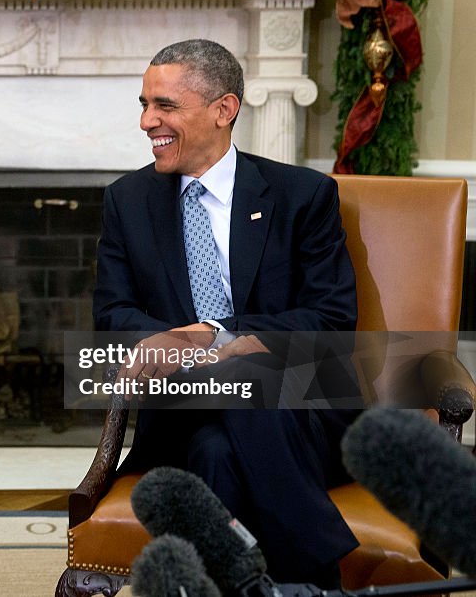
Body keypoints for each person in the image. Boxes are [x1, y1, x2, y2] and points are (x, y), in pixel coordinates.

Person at [94, 39, 360, 587]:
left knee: (219, 448)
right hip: (183, 404)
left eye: (164, 106)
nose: (147, 122)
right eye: (143, 105)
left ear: (224, 109)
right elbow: (112, 314)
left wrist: (215, 336)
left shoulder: (302, 196)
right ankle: (317, 575)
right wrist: (171, 343)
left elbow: (332, 318)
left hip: (298, 414)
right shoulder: (127, 200)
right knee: (226, 405)